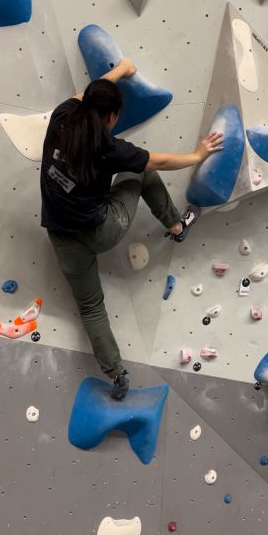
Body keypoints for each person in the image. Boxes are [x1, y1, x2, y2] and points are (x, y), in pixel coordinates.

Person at [40, 57, 224, 400]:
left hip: (61, 234)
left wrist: (120, 71)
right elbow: (162, 161)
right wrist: (198, 155)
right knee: (142, 172)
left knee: (91, 307)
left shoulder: (61, 116)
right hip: (100, 230)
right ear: (111, 118)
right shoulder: (108, 149)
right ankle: (176, 225)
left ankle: (117, 375)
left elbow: (85, 95)